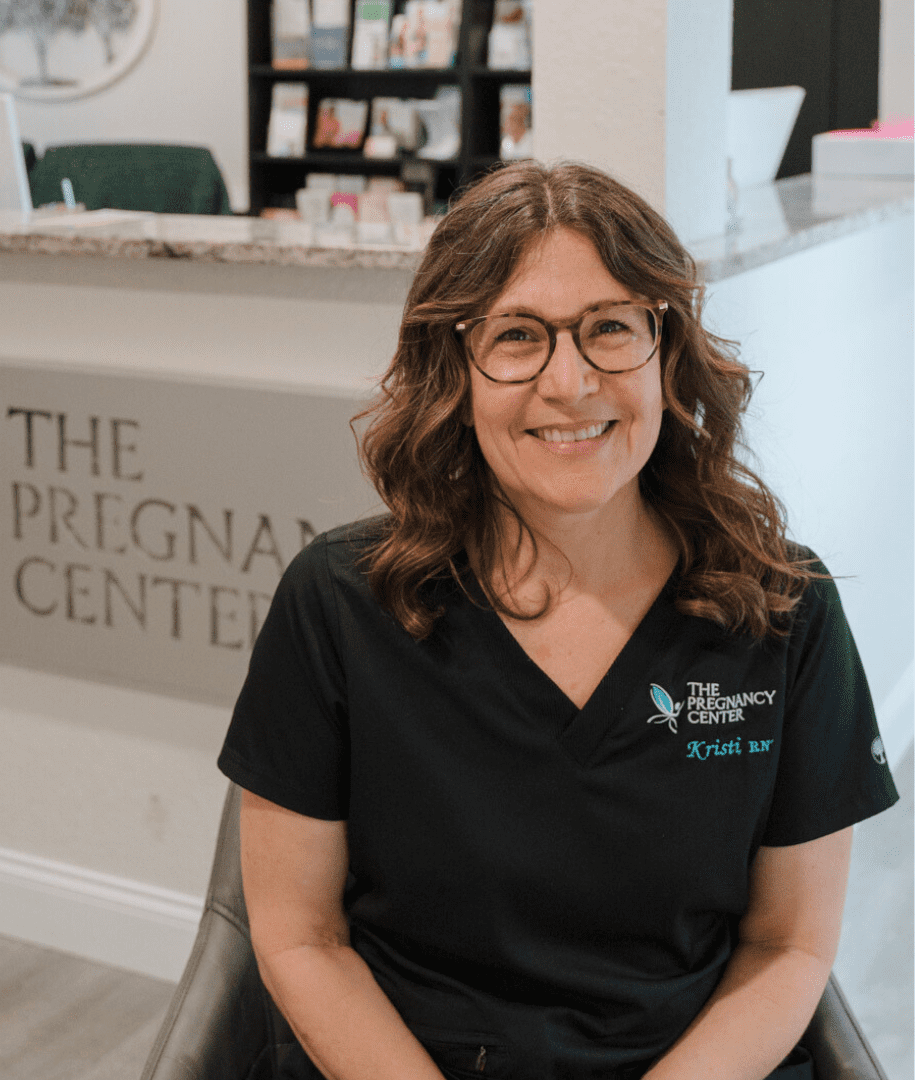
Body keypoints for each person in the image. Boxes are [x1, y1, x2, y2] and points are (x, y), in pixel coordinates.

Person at [217, 161, 898, 1080]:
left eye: (611, 328)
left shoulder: (784, 611)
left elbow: (789, 947)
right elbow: (301, 936)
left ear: (667, 351)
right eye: (517, 337)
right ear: (453, 368)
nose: (569, 382)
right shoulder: (340, 602)